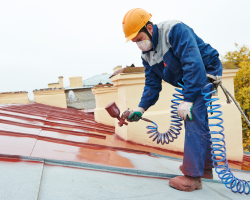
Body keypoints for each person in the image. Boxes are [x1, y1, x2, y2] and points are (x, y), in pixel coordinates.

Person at [122, 8, 223, 192]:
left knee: (192, 116)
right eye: (135, 42)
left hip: (205, 69)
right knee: (198, 117)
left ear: (150, 29)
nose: (139, 44)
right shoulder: (147, 55)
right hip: (190, 76)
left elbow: (193, 63)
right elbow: (152, 85)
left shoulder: (174, 30)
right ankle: (205, 168)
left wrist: (188, 99)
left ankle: (193, 177)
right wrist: (141, 109)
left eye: (139, 39)